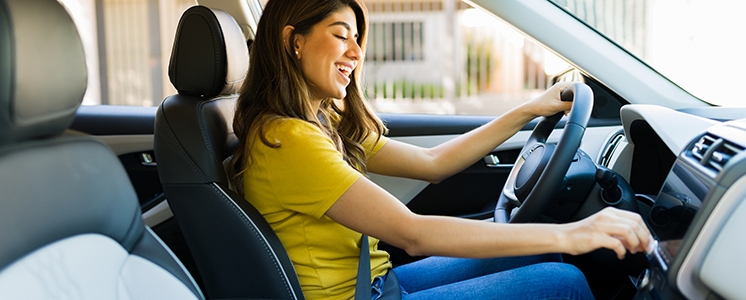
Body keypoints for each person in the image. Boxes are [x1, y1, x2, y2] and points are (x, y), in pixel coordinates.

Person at [229, 0, 654, 299]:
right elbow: (412, 234)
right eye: (341, 37)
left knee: (540, 249)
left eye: (357, 39)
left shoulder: (321, 122)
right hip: (361, 295)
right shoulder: (289, 139)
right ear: (294, 40)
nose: (356, 53)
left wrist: (529, 110)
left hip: (375, 282)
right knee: (563, 282)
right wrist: (574, 232)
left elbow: (433, 163)